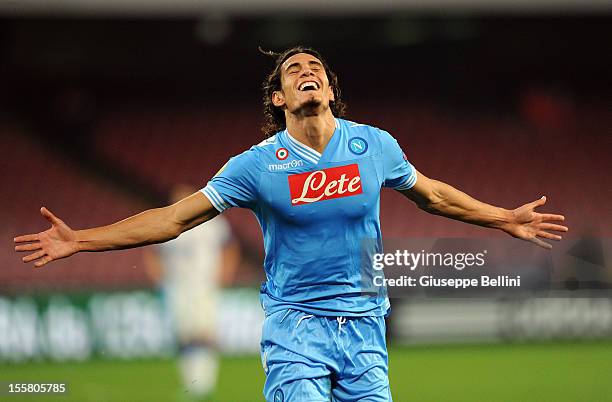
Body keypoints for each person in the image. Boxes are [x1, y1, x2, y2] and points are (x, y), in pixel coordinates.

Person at [15, 46, 568, 402]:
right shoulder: (255, 166)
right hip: (295, 326)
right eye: (293, 71)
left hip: (364, 324)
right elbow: (173, 219)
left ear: (328, 91)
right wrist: (80, 239)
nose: (306, 73)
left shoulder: (373, 145)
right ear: (279, 98)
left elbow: (432, 194)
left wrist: (502, 217)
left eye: (315, 70)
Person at [143, 184, 240, 401]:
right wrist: (158, 275)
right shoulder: (166, 223)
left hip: (204, 284)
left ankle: (205, 382)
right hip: (177, 287)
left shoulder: (211, 222)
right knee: (184, 334)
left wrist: (226, 272)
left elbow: (230, 246)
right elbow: (152, 250)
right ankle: (190, 382)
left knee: (205, 332)